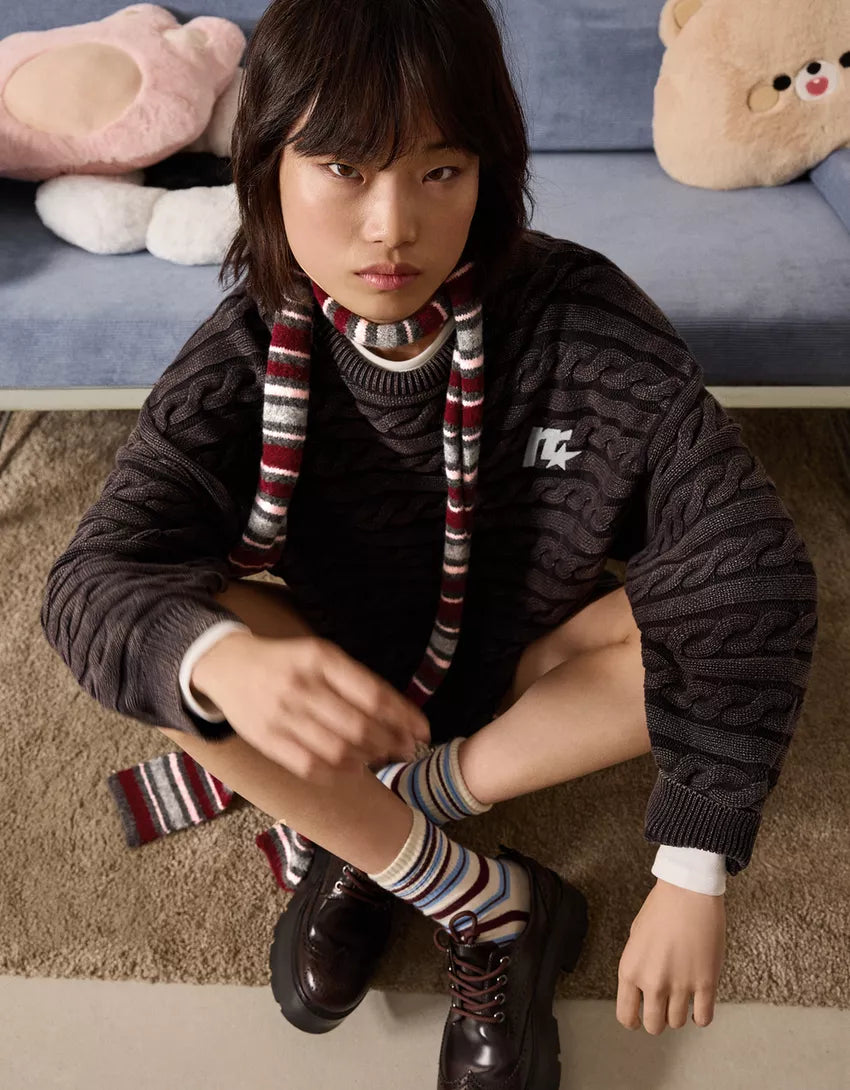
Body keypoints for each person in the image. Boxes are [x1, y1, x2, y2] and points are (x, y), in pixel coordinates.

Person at [40, 0, 818, 1083]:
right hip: (338, 666)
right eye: (343, 169)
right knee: (183, 654)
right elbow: (93, 576)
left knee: (710, 614)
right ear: (267, 169)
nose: (390, 226)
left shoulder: (586, 319)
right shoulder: (248, 344)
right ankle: (484, 901)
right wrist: (227, 663)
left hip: (524, 655)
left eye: (438, 172)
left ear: (489, 173)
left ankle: (388, 819)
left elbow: (753, 568)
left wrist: (693, 866)